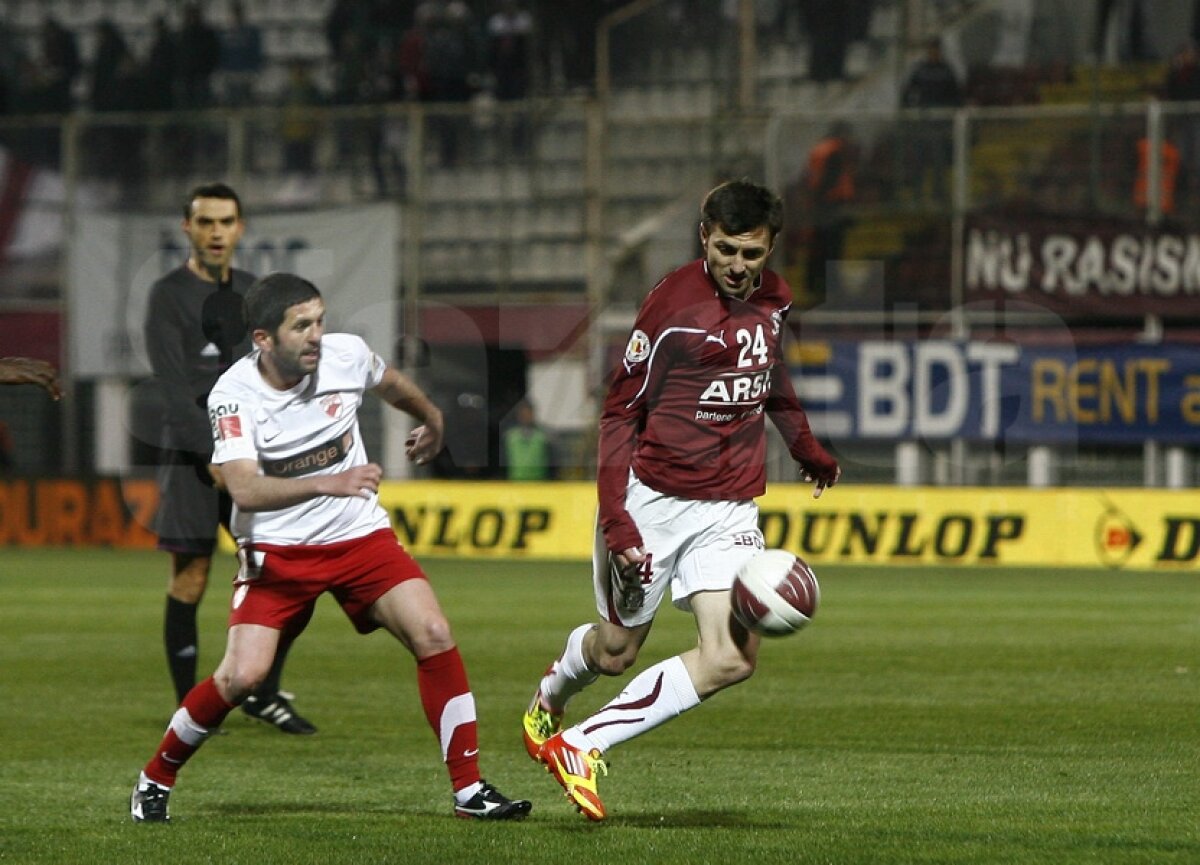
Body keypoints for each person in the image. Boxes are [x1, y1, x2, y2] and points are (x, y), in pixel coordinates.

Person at [130, 273, 532, 823]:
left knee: (434, 632)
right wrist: (328, 481)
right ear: (263, 339)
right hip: (277, 552)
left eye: (319, 321)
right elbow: (244, 489)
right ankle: (156, 777)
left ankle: (469, 790)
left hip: (358, 537)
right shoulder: (233, 394)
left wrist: (432, 418)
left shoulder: (346, 355)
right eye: (301, 326)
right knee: (241, 678)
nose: (317, 335)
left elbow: (389, 382)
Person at [521, 180, 840, 821]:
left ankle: (582, 744)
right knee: (615, 652)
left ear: (771, 248)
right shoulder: (671, 306)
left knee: (732, 658)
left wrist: (805, 446)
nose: (738, 266)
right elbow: (618, 414)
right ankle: (551, 694)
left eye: (752, 254)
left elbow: (769, 374)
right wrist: (618, 522)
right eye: (725, 250)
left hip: (729, 508)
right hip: (653, 505)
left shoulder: (776, 299)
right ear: (704, 237)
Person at [144, 183, 315, 734]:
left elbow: (275, 372)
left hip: (255, 452)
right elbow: (172, 387)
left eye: (225, 222)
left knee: (285, 573)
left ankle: (263, 692)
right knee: (191, 577)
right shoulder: (167, 295)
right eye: (205, 222)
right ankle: (190, 707)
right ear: (187, 228)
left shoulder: (252, 293)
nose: (216, 232)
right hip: (193, 457)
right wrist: (211, 453)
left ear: (240, 228)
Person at [804, 121, 857, 302]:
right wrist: (824, 199)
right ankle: (828, 289)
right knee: (831, 249)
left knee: (820, 247)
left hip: (822, 205)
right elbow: (829, 178)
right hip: (830, 205)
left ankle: (817, 286)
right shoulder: (834, 152)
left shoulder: (820, 150)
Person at [503, 398, 552, 481]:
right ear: (518, 415)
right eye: (523, 414)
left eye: (528, 413)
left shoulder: (543, 436)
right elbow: (504, 458)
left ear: (533, 414)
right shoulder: (510, 436)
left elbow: (551, 458)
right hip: (515, 481)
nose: (526, 416)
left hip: (539, 481)